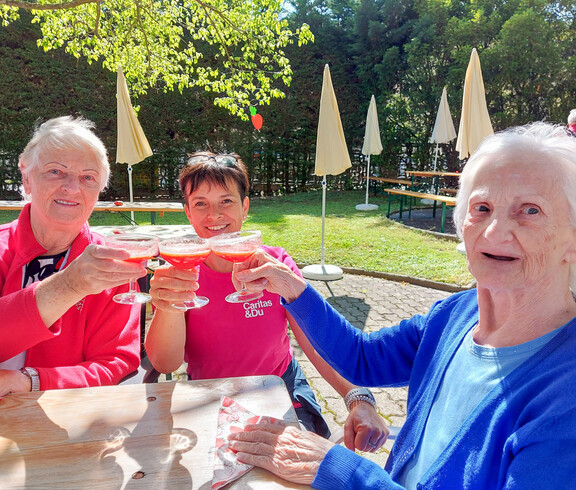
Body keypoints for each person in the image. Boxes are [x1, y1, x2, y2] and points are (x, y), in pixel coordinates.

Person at [227, 122, 576, 488]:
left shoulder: (565, 400)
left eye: (530, 211)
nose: (493, 232)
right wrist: (293, 287)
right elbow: (362, 359)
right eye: (482, 207)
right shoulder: (454, 316)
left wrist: (338, 470)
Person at [145, 152, 388, 451]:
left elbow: (316, 342)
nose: (214, 215)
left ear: (245, 207)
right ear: (188, 213)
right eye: (201, 204)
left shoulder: (274, 264)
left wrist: (356, 398)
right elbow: (165, 362)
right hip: (210, 396)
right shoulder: (182, 272)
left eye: (226, 201)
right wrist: (169, 304)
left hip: (280, 388)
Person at [0, 116, 144, 397]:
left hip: (67, 424)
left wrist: (29, 381)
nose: (72, 188)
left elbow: (116, 363)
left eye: (88, 177)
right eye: (55, 171)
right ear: (26, 177)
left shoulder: (111, 264)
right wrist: (69, 286)